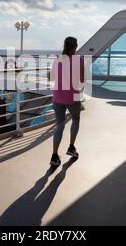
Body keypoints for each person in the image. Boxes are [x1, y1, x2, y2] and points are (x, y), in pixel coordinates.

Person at [49, 36, 84, 166]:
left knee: (60, 124)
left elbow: (51, 78)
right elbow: (81, 80)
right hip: (73, 96)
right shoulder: (79, 61)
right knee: (76, 119)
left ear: (64, 46)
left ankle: (54, 155)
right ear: (75, 47)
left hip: (57, 97)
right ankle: (71, 147)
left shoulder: (57, 60)